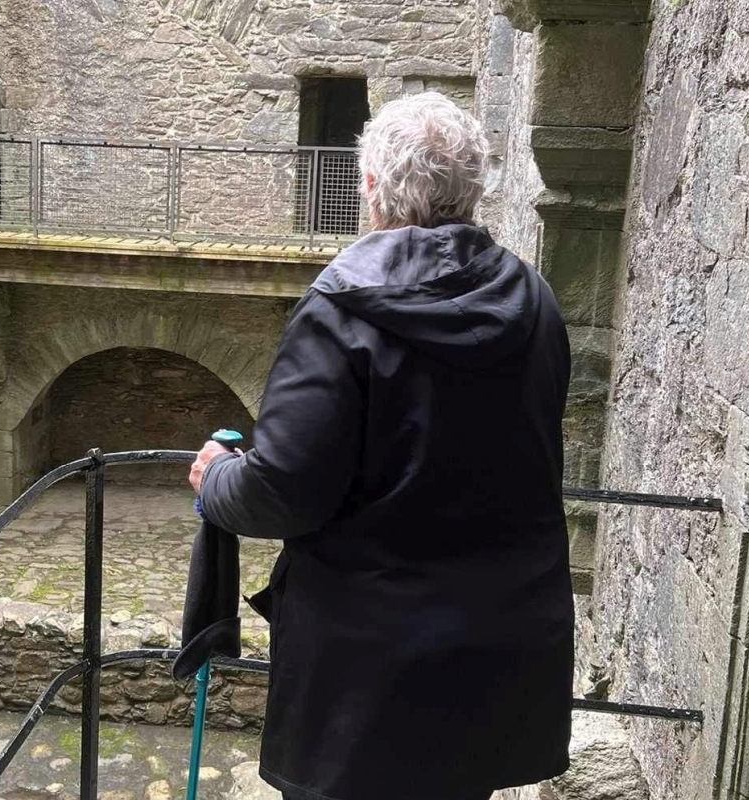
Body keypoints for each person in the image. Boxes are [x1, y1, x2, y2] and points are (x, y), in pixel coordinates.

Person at [189, 92, 574, 800]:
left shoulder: (339, 308)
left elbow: (281, 493)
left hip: (366, 676)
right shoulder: (534, 299)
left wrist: (216, 478)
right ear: (475, 188)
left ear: (371, 187)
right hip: (495, 648)